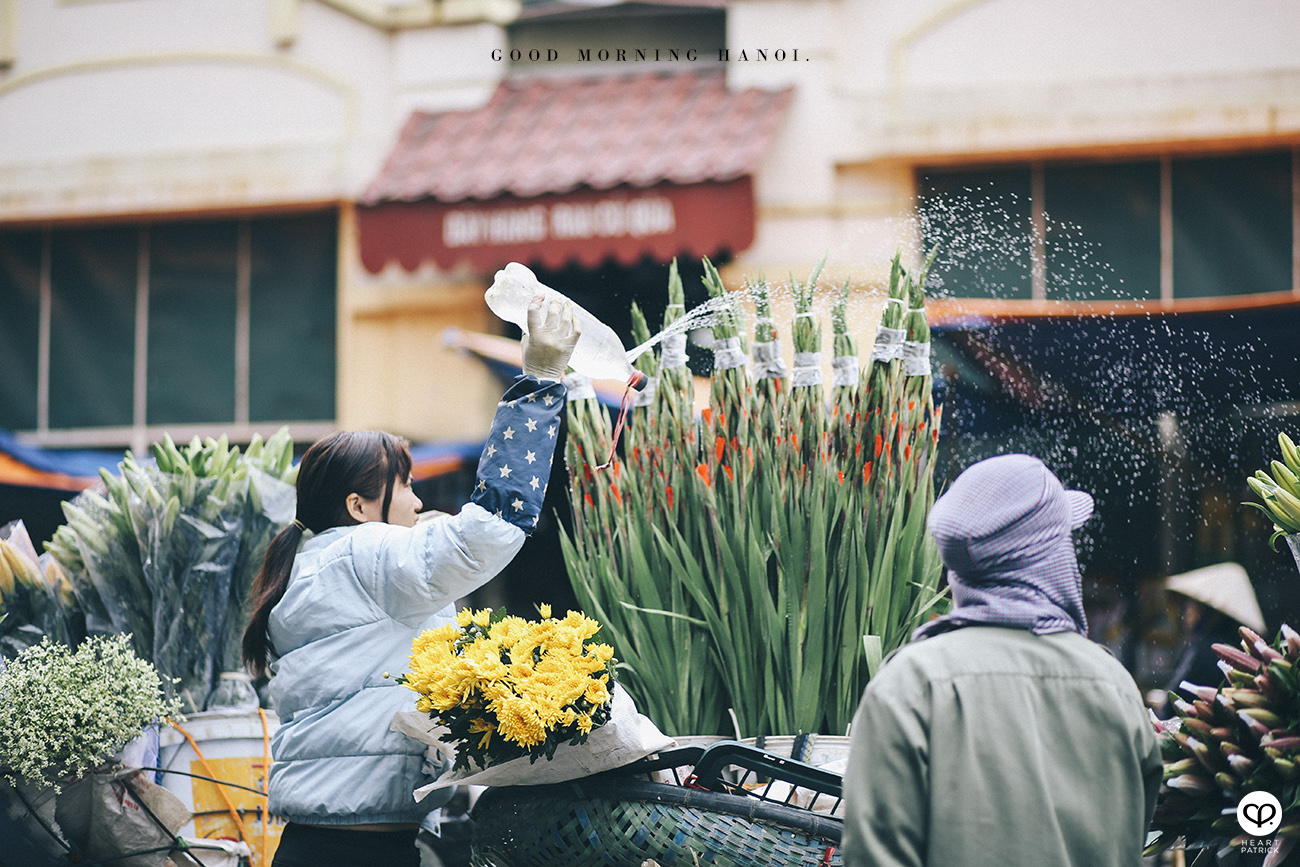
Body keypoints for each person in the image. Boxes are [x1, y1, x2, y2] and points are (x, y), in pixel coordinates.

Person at [241, 295, 580, 867]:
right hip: (359, 852)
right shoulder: (367, 555)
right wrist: (540, 383)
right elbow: (488, 533)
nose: (419, 500)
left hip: (318, 843)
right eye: (405, 487)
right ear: (358, 506)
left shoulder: (311, 566)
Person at [841, 454, 1162, 867]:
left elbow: (874, 855)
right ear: (1050, 557)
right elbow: (1135, 835)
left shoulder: (908, 685)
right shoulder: (1113, 685)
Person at [1159, 561, 1266, 717]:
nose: (1186, 612)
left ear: (1209, 612)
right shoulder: (1244, 648)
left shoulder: (1207, 648)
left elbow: (1173, 704)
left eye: (1192, 605)